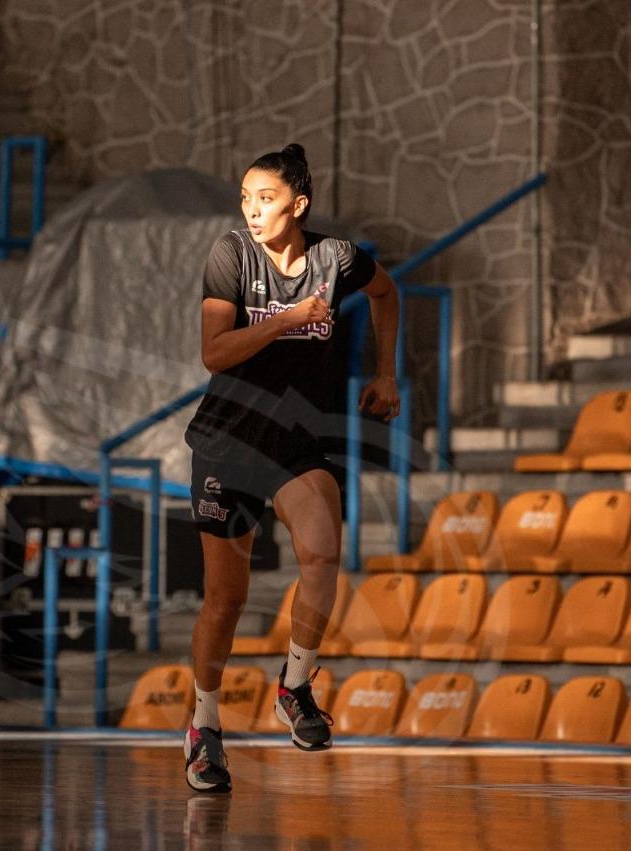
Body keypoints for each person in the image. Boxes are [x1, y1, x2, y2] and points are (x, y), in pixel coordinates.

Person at [181, 143, 400, 793]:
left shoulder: (336, 259)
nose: (252, 209)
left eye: (267, 198)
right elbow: (214, 352)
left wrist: (386, 372)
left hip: (302, 443)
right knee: (226, 597)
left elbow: (387, 293)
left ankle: (295, 684)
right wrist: (287, 318)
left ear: (298, 205)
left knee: (323, 554)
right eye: (246, 197)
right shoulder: (231, 255)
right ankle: (203, 728)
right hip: (229, 440)